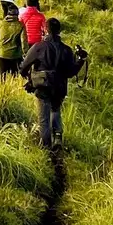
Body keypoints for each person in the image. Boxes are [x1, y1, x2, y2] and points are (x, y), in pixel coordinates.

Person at [21, 15, 73, 147]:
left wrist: (29, 77)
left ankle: (47, 149)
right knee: (55, 110)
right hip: (60, 87)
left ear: (45, 29)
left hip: (43, 86)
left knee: (44, 119)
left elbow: (24, 66)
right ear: (59, 31)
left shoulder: (39, 47)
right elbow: (71, 72)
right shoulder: (67, 50)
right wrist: (81, 61)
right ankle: (58, 137)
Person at [0, 2, 24, 76]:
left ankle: (3, 87)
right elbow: (23, 41)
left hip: (2, 53)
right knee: (15, 74)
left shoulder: (0, 23)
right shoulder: (21, 25)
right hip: (15, 54)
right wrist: (25, 54)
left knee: (3, 74)